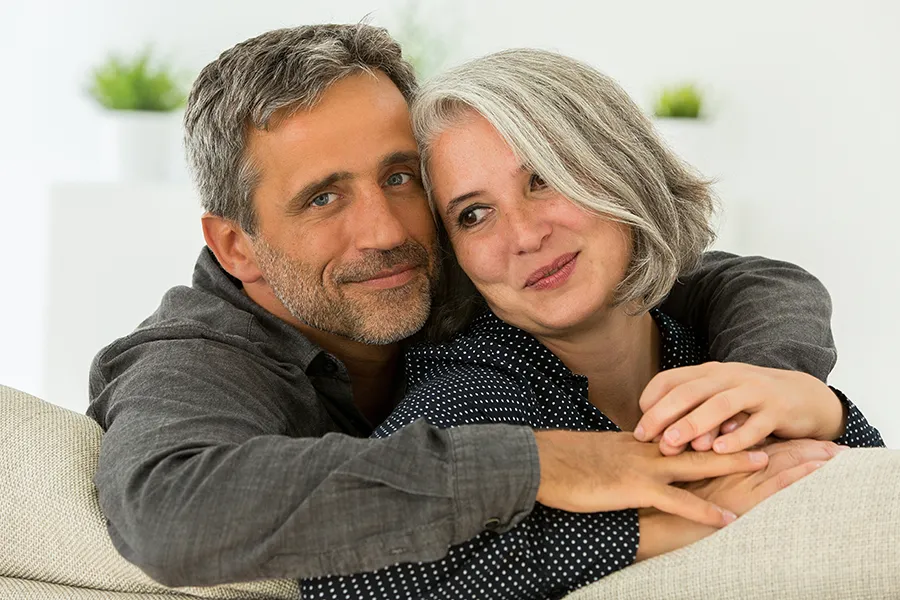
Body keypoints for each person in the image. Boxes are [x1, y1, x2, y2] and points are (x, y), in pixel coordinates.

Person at [87, 24, 854, 588]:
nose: (385, 231)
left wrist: (768, 385)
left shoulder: (448, 260)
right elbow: (169, 511)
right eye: (323, 198)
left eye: (398, 177)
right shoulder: (194, 359)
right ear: (237, 246)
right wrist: (537, 463)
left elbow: (725, 278)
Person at [302, 48, 883, 599]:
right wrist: (650, 525)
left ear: (619, 168)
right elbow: (339, 571)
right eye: (474, 215)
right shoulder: (474, 392)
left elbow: (865, 505)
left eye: (542, 179)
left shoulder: (700, 346)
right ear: (455, 256)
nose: (525, 236)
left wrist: (824, 410)